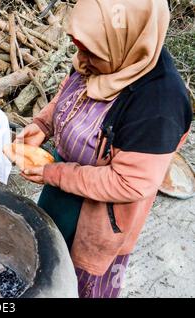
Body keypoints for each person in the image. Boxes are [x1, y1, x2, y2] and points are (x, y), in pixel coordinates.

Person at [15, 0, 192, 298]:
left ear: (122, 39)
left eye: (89, 52)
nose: (81, 59)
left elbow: (128, 182)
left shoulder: (160, 106)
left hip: (102, 214)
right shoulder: (112, 50)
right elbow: (72, 90)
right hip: (63, 184)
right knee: (47, 256)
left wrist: (53, 173)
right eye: (80, 48)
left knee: (81, 281)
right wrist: (44, 124)